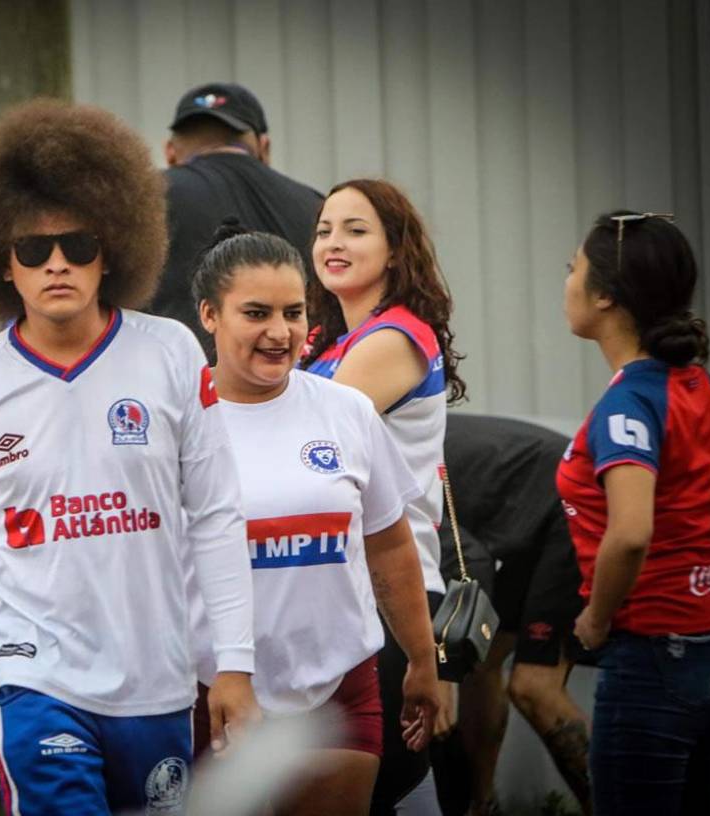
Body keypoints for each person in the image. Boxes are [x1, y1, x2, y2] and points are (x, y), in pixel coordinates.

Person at [0, 99, 258, 816]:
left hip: (156, 679)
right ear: (1, 265)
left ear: (111, 251)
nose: (57, 263)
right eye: (33, 249)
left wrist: (232, 664)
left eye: (79, 245)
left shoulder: (170, 352)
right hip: (32, 677)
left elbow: (215, 515)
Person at [190, 225, 442, 815]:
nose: (279, 333)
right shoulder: (178, 421)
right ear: (209, 315)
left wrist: (423, 662)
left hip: (340, 687)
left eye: (293, 312)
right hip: (214, 690)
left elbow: (390, 547)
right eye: (255, 313)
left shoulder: (346, 410)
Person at [301, 178, 466, 815]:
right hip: (349, 585)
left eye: (355, 229)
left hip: (390, 588)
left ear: (396, 250)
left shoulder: (391, 338)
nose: (333, 242)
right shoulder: (333, 340)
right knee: (380, 782)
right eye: (323, 230)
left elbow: (310, 443)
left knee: (381, 780)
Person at [557, 211, 710, 815]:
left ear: (604, 294)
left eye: (573, 268)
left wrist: (597, 620)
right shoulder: (699, 385)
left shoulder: (629, 401)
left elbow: (630, 533)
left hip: (651, 651)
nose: (567, 281)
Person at [430, 414, 590, 816]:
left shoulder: (394, 468)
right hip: (529, 521)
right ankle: (481, 805)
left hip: (570, 508)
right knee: (481, 665)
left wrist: (438, 676)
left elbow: (472, 566)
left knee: (535, 686)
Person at [150, 82, 323, 348]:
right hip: (287, 376)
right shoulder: (317, 206)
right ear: (264, 147)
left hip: (175, 378)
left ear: (170, 152)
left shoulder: (146, 197)